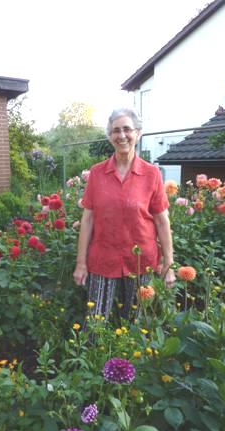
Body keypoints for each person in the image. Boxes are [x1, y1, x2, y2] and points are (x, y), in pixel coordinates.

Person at [73, 108, 175, 320]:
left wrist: (168, 264)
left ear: (138, 133)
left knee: (138, 323)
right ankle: (96, 354)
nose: (122, 136)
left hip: (141, 260)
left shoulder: (152, 174)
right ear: (110, 136)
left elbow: (162, 221)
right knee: (95, 323)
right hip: (102, 258)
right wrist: (81, 263)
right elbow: (88, 219)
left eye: (127, 129)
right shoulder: (97, 173)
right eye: (116, 130)